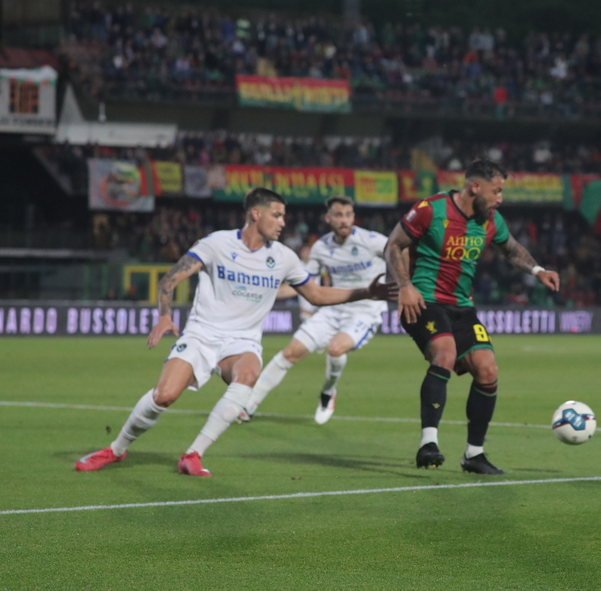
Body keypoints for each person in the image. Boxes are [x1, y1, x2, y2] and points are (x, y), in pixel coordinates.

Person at [75, 188, 393, 476]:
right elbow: (170, 279)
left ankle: (193, 454)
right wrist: (164, 316)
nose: (283, 223)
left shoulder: (284, 257)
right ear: (257, 213)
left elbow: (318, 295)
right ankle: (115, 450)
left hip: (242, 342)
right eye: (277, 215)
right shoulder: (218, 244)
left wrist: (367, 292)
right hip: (201, 334)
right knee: (165, 395)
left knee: (248, 375)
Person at [384, 158, 560, 475]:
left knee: (487, 369)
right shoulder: (431, 209)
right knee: (445, 353)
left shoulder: (492, 220)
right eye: (497, 191)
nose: (500, 199)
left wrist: (537, 270)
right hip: (423, 302)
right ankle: (428, 443)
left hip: (463, 308)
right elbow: (394, 245)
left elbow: (511, 249)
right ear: (474, 187)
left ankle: (474, 454)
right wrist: (405, 286)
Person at [240, 195, 388, 424]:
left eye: (348, 215)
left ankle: (328, 393)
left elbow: (400, 252)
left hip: (365, 310)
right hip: (333, 308)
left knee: (336, 349)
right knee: (290, 352)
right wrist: (270, 291)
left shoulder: (373, 241)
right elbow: (308, 286)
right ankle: (247, 406)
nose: (344, 220)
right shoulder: (321, 248)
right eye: (338, 215)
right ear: (328, 218)